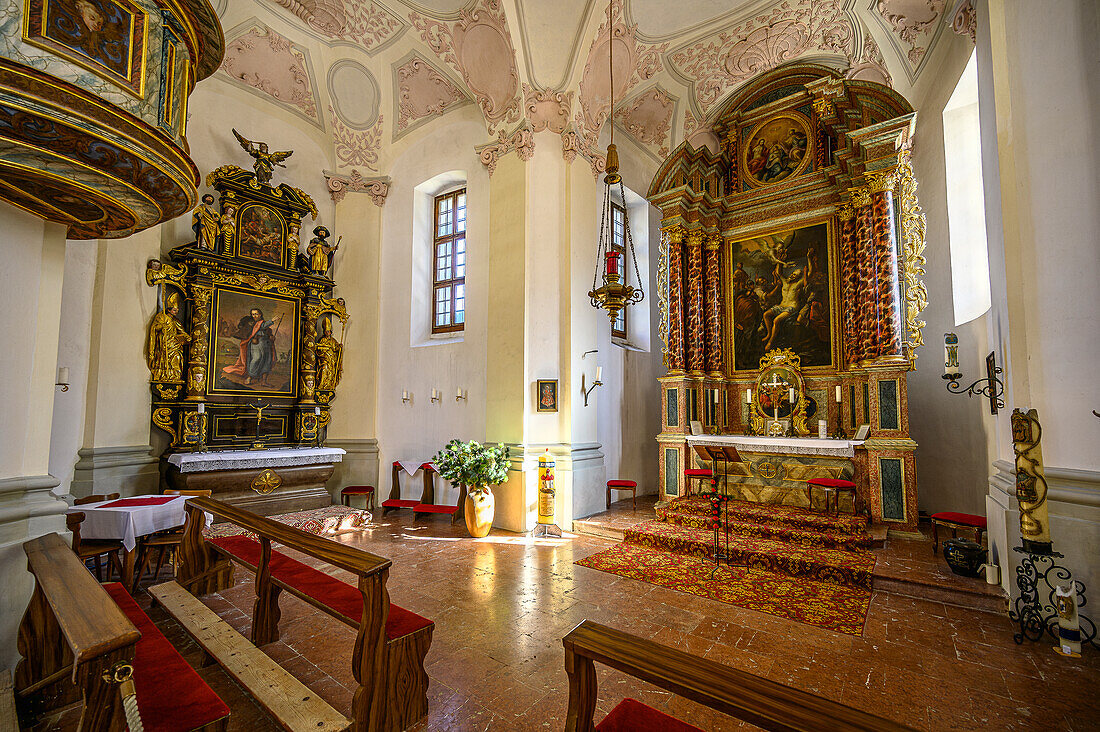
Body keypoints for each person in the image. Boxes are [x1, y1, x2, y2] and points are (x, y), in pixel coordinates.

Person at [223, 308, 278, 387]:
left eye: (256, 314)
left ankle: (264, 381)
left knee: (267, 361)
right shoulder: (252, 324)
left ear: (260, 314)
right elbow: (262, 326)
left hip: (266, 344)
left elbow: (267, 332)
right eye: (253, 314)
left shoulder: (263, 323)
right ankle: (249, 377)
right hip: (256, 343)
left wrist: (271, 337)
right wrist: (272, 321)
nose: (254, 316)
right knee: (256, 359)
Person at [145, 291, 190, 382]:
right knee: (164, 359)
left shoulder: (175, 321)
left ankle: (175, 376)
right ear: (169, 309)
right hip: (164, 343)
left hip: (174, 344)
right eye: (174, 310)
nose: (176, 312)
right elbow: (154, 329)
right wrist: (161, 327)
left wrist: (186, 337)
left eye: (177, 310)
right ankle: (164, 375)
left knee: (177, 357)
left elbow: (181, 331)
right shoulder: (161, 317)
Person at [315, 319, 343, 391]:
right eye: (326, 331)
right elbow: (318, 350)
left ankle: (329, 385)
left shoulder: (333, 340)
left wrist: (339, 347)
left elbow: (336, 348)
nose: (327, 333)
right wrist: (323, 351)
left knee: (330, 373)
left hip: (332, 360)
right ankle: (321, 385)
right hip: (324, 360)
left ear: (330, 332)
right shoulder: (322, 340)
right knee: (324, 369)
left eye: (329, 331)